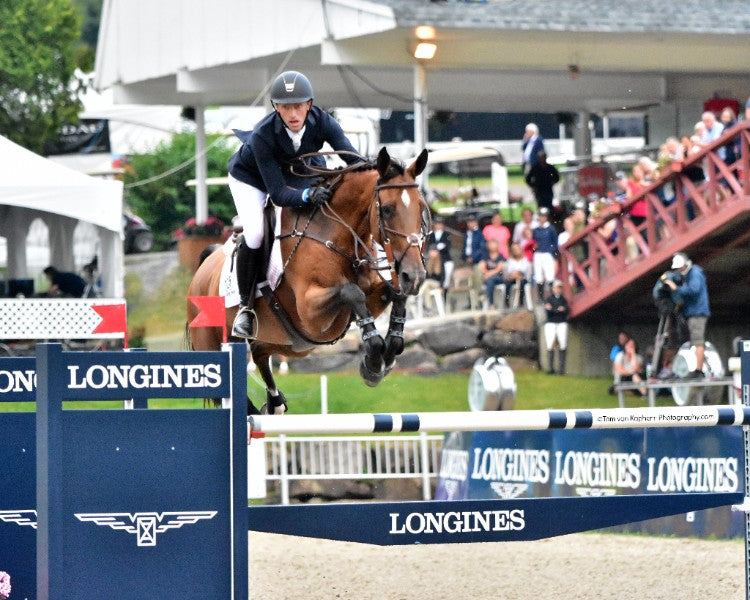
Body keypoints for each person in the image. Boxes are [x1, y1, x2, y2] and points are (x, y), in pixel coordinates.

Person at [226, 70, 360, 338]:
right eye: (286, 107)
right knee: (255, 233)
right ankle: (245, 308)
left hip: (295, 169)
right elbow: (277, 194)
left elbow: (352, 159)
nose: (293, 114)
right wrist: (306, 196)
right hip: (251, 178)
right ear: (276, 107)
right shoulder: (263, 135)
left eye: (298, 106)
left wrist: (379, 172)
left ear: (309, 104)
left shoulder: (324, 122)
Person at [663, 252, 710, 378]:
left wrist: (676, 288)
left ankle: (699, 371)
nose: (678, 270)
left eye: (679, 268)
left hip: (697, 313)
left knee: (698, 341)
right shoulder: (688, 274)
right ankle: (697, 368)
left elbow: (694, 290)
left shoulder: (695, 273)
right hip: (693, 313)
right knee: (695, 342)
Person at [531, 207, 558, 300]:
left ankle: (552, 296)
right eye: (541, 216)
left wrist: (552, 251)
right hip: (538, 254)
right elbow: (533, 240)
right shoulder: (536, 229)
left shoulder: (550, 228)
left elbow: (555, 242)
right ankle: (540, 298)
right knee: (538, 275)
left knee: (549, 274)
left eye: (544, 216)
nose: (542, 218)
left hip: (547, 253)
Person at [543, 280, 568, 375]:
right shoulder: (549, 299)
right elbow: (549, 311)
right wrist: (557, 310)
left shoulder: (563, 299)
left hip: (561, 322)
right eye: (556, 287)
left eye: (559, 287)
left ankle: (561, 369)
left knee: (562, 343)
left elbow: (565, 310)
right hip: (551, 323)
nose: (558, 289)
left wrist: (555, 310)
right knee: (550, 344)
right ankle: (550, 368)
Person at [427, 217, 453, 289]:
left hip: (445, 258)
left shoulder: (446, 235)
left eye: (440, 224)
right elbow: (429, 246)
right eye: (437, 224)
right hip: (433, 258)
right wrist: (439, 247)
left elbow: (447, 246)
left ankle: (444, 290)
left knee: (446, 278)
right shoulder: (431, 235)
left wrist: (436, 248)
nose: (439, 226)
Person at [478, 239, 505, 307]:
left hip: (498, 277)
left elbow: (498, 269)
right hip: (488, 278)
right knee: (490, 281)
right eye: (490, 244)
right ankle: (491, 304)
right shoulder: (485, 256)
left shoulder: (500, 256)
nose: (491, 246)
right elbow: (482, 267)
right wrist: (486, 273)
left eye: (493, 244)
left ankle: (486, 298)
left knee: (490, 280)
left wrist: (488, 274)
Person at [503, 242, 531, 308]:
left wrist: (517, 274)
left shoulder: (525, 260)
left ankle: (520, 303)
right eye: (514, 249)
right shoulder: (509, 261)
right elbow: (508, 272)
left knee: (522, 283)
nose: (516, 251)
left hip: (523, 279)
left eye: (517, 249)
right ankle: (507, 303)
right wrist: (514, 275)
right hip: (512, 279)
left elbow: (523, 272)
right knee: (507, 284)